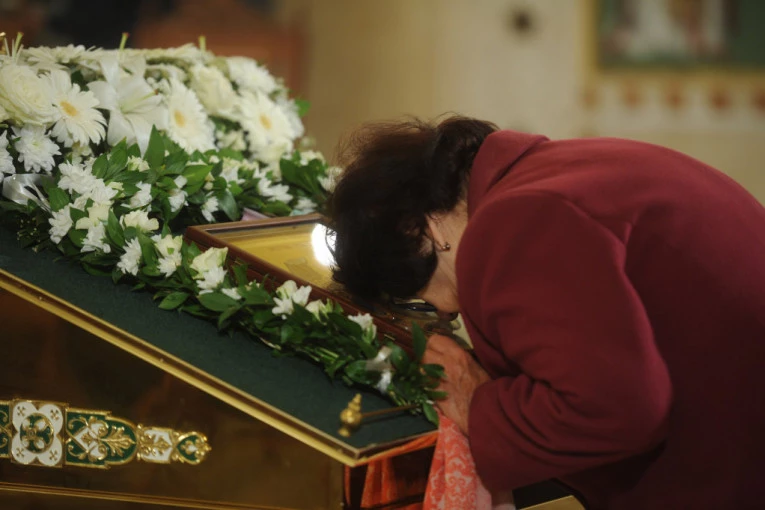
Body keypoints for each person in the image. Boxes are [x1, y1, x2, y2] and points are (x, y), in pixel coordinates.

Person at [326, 115, 765, 509]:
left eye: (416, 299)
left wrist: (476, 403)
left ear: (418, 230)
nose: (444, 313)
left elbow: (615, 407)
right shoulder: (550, 172)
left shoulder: (510, 223)